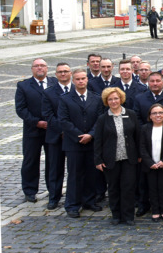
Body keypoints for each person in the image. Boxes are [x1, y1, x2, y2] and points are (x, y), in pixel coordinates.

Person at [58, 69, 104, 218]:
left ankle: (89, 200)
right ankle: (72, 204)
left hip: (92, 142)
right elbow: (63, 120)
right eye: (77, 79)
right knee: (75, 175)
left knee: (92, 174)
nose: (81, 81)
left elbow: (100, 119)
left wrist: (91, 134)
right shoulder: (65, 99)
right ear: (73, 80)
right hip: (74, 144)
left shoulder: (96, 98)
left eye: (83, 78)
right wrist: (79, 136)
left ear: (87, 80)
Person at [93, 87, 141, 225]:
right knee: (113, 187)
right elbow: (98, 141)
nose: (113, 101)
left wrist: (139, 154)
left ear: (121, 99)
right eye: (110, 99)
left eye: (116, 98)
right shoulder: (103, 119)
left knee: (128, 187)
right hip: (110, 159)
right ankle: (116, 215)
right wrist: (98, 160)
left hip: (129, 158)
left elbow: (137, 136)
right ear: (106, 101)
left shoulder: (131, 114)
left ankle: (128, 216)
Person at [15, 58, 56, 203]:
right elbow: (21, 109)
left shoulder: (54, 83)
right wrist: (36, 122)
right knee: (31, 161)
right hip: (32, 130)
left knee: (53, 161)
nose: (40, 68)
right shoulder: (23, 86)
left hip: (52, 129)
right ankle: (30, 191)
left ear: (47, 68)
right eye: (36, 66)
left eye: (42, 66)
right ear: (32, 69)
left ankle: (53, 190)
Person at [41, 62, 72, 210]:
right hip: (56, 136)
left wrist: (71, 132)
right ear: (56, 74)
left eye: (66, 71)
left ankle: (76, 196)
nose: (63, 74)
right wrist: (63, 131)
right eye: (60, 72)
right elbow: (48, 115)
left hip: (74, 137)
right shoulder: (48, 92)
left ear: (70, 73)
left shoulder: (77, 89)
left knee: (75, 168)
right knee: (55, 168)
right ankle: (54, 197)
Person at [139, 103, 163, 222]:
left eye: (160, 112)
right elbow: (142, 147)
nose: (158, 115)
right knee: (152, 188)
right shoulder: (145, 128)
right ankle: (155, 210)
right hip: (150, 165)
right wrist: (150, 162)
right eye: (154, 113)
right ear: (150, 116)